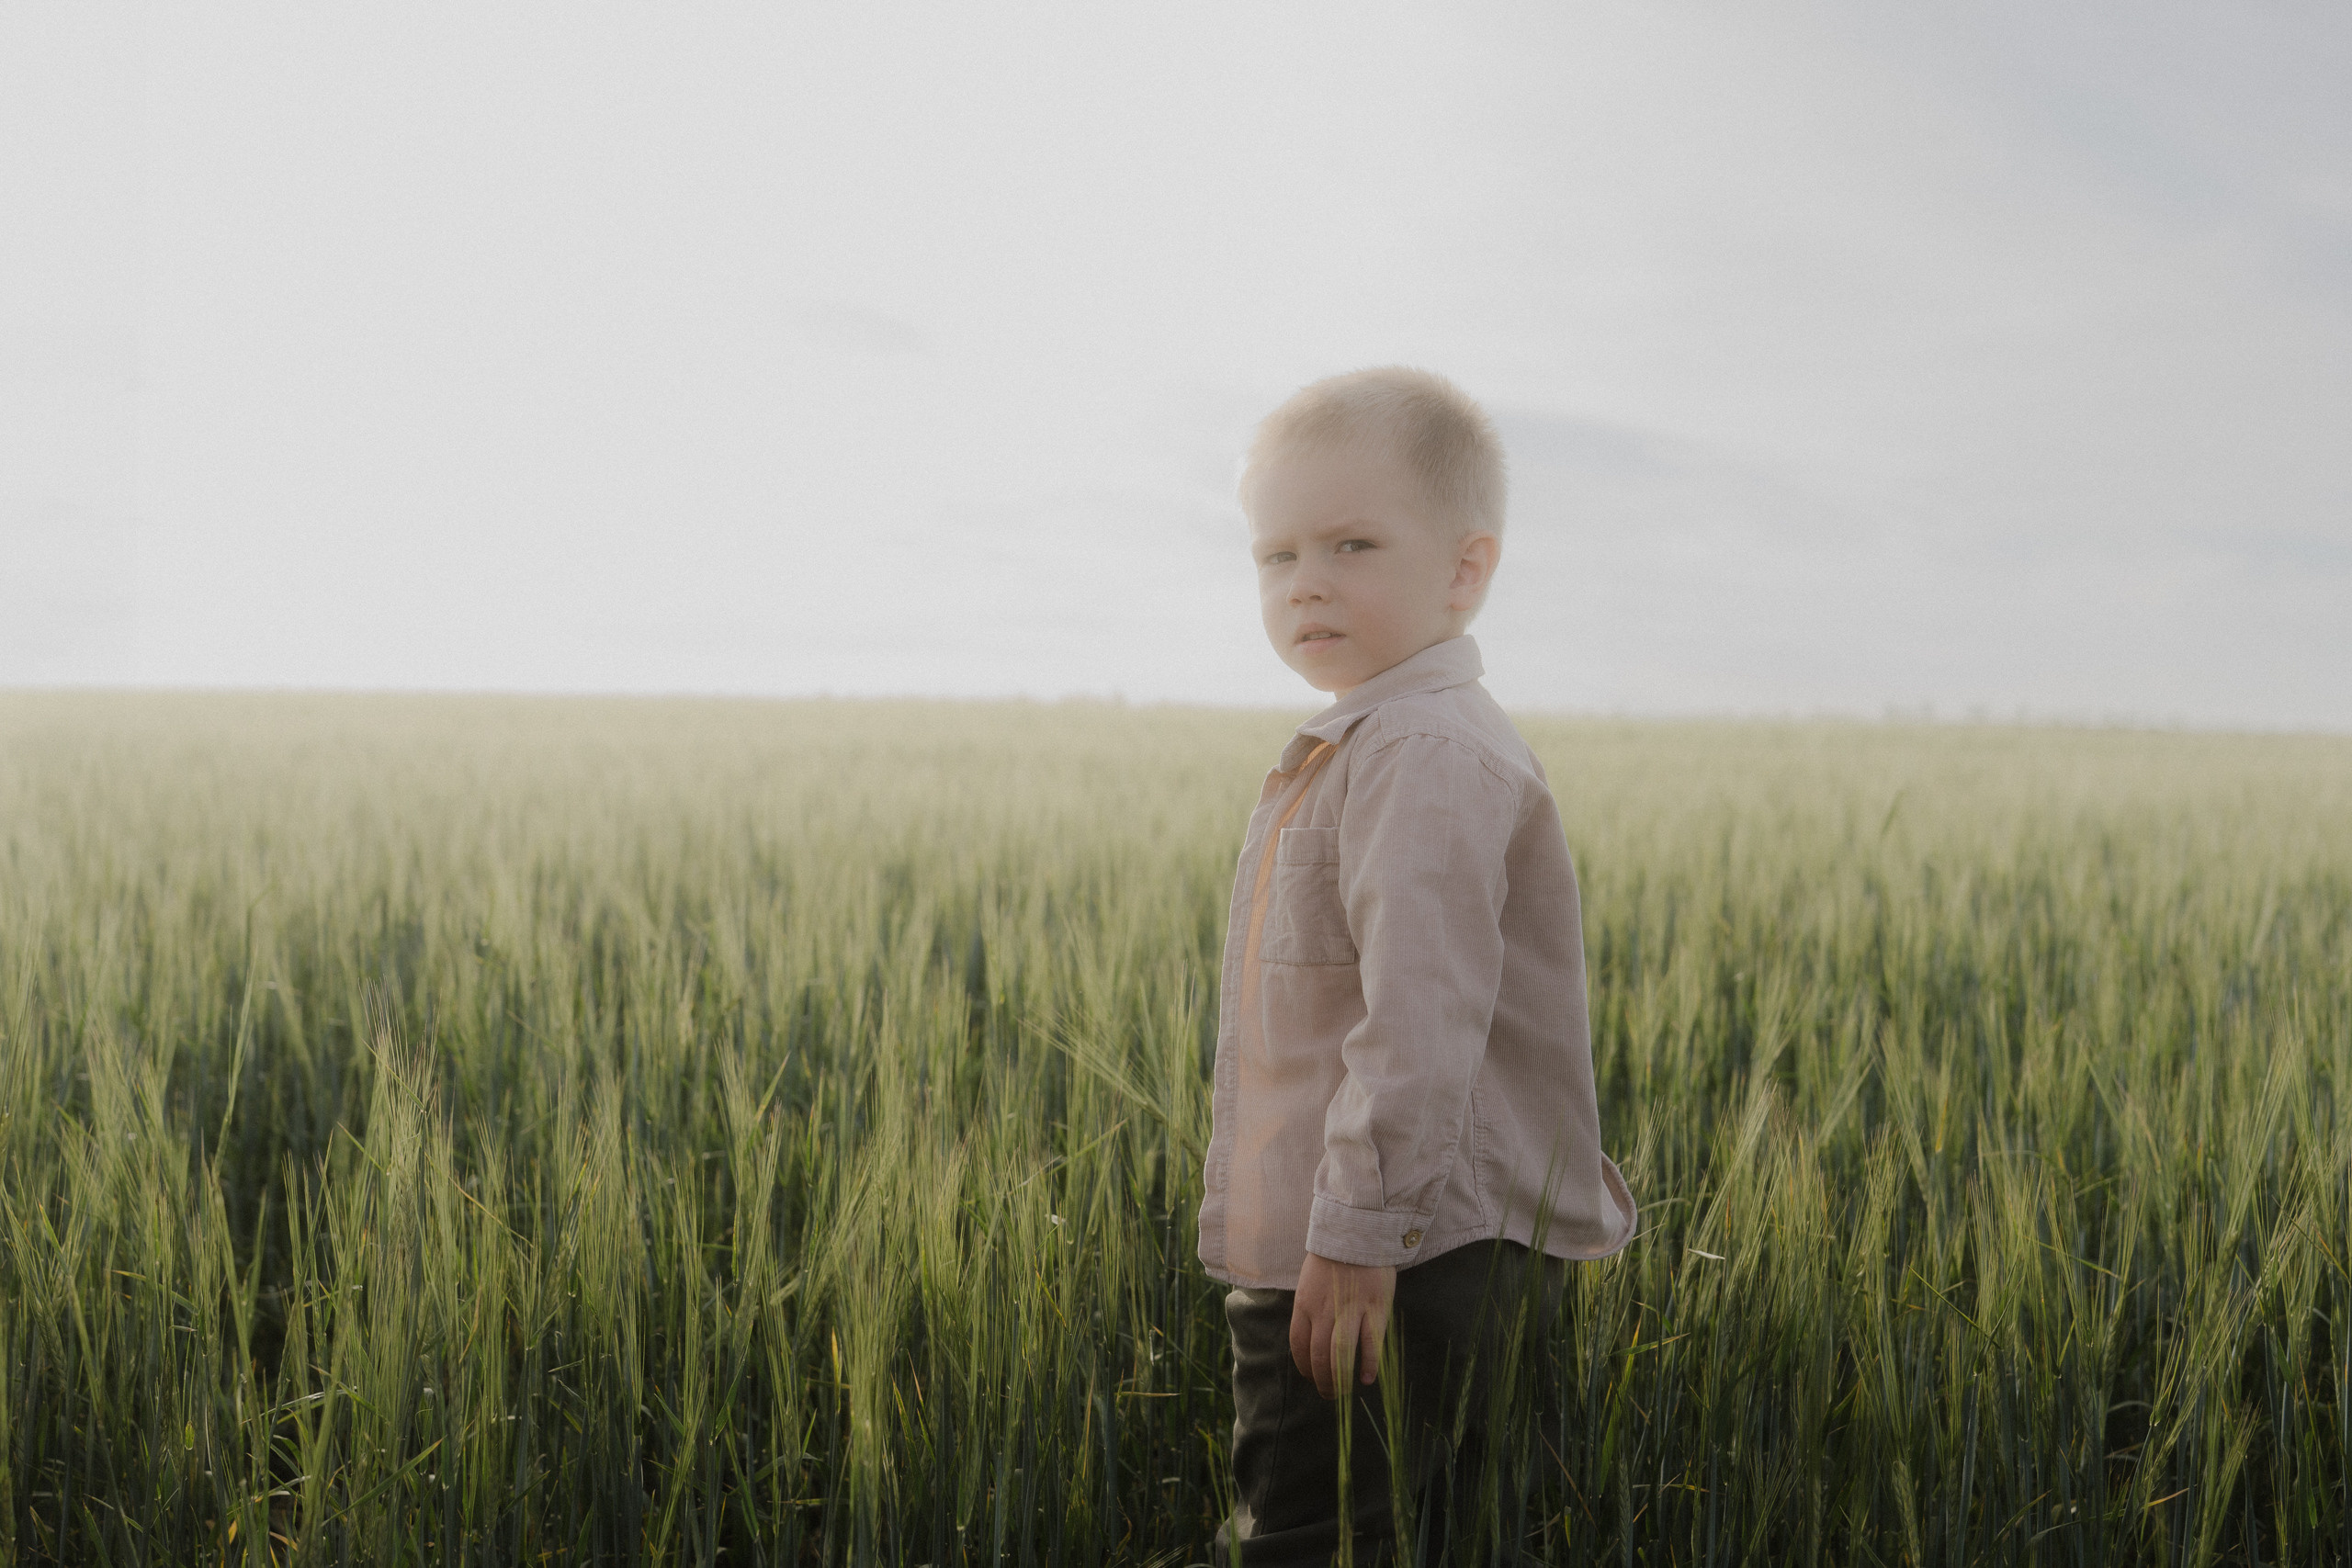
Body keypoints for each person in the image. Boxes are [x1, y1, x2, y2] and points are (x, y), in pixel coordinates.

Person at [1199, 367, 1636, 1565]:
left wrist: (1355, 1235)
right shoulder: (1383, 739)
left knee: (1316, 1536)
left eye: (1351, 543)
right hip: (1412, 1238)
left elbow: (1419, 1020)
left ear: (1464, 570)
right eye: (1275, 556)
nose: (1307, 583)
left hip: (1393, 1253)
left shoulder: (1420, 754)